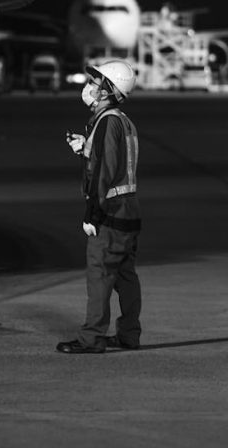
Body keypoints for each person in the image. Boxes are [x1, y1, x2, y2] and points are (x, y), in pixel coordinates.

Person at [56, 58, 141, 354]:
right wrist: (85, 148)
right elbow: (111, 161)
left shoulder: (107, 122)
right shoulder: (123, 121)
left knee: (100, 273)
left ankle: (91, 338)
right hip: (129, 208)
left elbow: (104, 171)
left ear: (106, 91)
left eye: (94, 82)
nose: (88, 86)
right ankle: (130, 335)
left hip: (110, 209)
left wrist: (92, 212)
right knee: (125, 275)